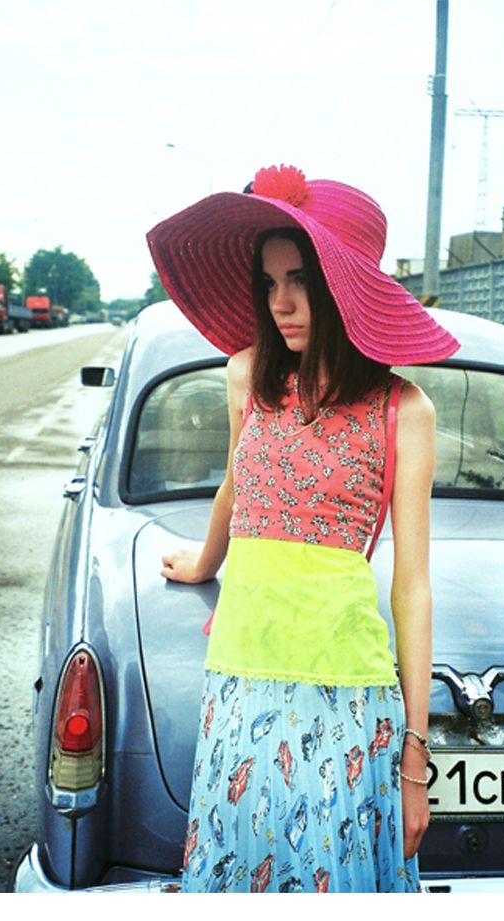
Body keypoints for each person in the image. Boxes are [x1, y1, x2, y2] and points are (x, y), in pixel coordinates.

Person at [147, 164, 460, 893]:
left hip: (346, 698)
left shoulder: (404, 410)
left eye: (300, 281)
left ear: (344, 287)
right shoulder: (246, 375)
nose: (279, 302)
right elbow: (237, 484)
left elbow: (412, 586)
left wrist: (415, 758)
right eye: (269, 282)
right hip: (240, 681)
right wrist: (204, 562)